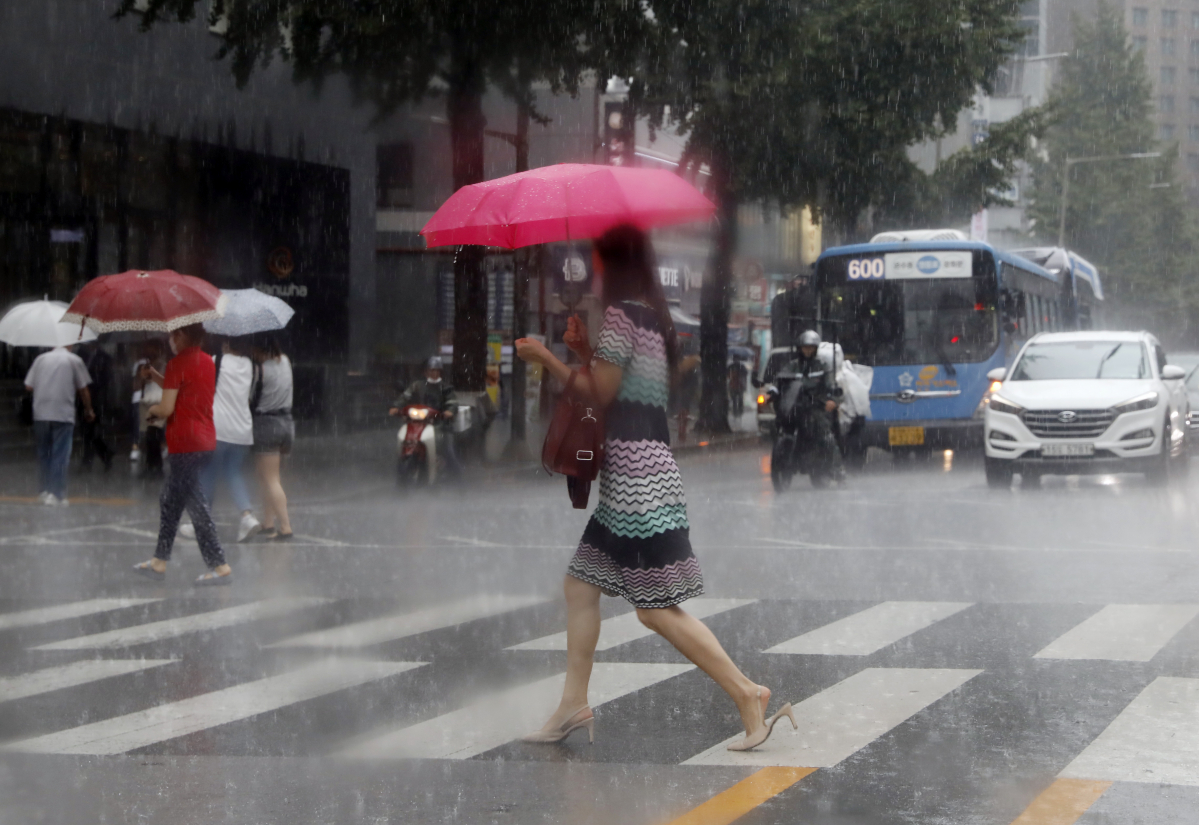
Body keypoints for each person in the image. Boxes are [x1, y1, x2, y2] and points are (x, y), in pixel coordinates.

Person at [514, 224, 794, 751]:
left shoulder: (623, 315)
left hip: (637, 480)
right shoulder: (648, 317)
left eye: (598, 262)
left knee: (654, 607)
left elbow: (600, 392)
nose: (594, 273)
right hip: (637, 472)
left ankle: (745, 692)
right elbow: (622, 388)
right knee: (580, 585)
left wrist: (548, 359)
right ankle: (573, 703)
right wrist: (583, 348)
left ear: (612, 265)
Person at [132, 324, 232, 585]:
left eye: (175, 334)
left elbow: (166, 407)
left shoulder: (177, 364)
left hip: (185, 444)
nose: (171, 338)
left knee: (196, 506)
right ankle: (159, 562)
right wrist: (155, 376)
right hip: (204, 440)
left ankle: (219, 565)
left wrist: (152, 411)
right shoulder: (208, 362)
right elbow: (182, 389)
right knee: (170, 501)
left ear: (184, 336)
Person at [179, 337, 262, 543]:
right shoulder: (254, 367)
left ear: (226, 344)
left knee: (207, 473)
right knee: (233, 472)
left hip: (218, 428)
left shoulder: (215, 361)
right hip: (242, 430)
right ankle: (247, 516)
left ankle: (200, 523)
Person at [24, 345, 94, 506]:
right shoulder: (74, 360)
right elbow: (83, 389)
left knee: (44, 453)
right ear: (69, 344)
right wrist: (89, 410)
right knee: (60, 455)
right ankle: (56, 494)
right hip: (63, 414)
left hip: (41, 413)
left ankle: (44, 490)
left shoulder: (40, 359)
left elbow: (29, 386)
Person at [785, 330, 846, 482]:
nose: (808, 350)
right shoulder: (792, 366)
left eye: (811, 347)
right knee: (782, 429)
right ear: (799, 348)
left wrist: (833, 400)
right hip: (795, 406)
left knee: (827, 437)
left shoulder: (822, 366)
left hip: (816, 407)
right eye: (805, 347)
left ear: (816, 349)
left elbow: (832, 386)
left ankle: (839, 472)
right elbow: (780, 382)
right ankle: (785, 461)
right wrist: (770, 392)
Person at [251, 335, 295, 541]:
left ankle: (285, 526)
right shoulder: (285, 361)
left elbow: (251, 398)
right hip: (287, 423)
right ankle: (268, 523)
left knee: (270, 479)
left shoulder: (260, 370)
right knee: (267, 478)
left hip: (267, 424)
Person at [388, 355, 462, 475]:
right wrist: (396, 407)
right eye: (431, 370)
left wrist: (449, 411)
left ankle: (459, 484)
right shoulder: (417, 385)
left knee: (449, 452)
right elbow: (405, 397)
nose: (434, 373)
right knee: (405, 441)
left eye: (437, 370)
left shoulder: (446, 387)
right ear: (425, 371)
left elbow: (452, 402)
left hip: (440, 425)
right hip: (419, 422)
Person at [79, 342, 114, 471]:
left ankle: (88, 460)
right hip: (82, 398)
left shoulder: (104, 357)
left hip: (97, 398)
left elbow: (106, 379)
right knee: (87, 431)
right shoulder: (80, 356)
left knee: (91, 430)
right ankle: (105, 454)